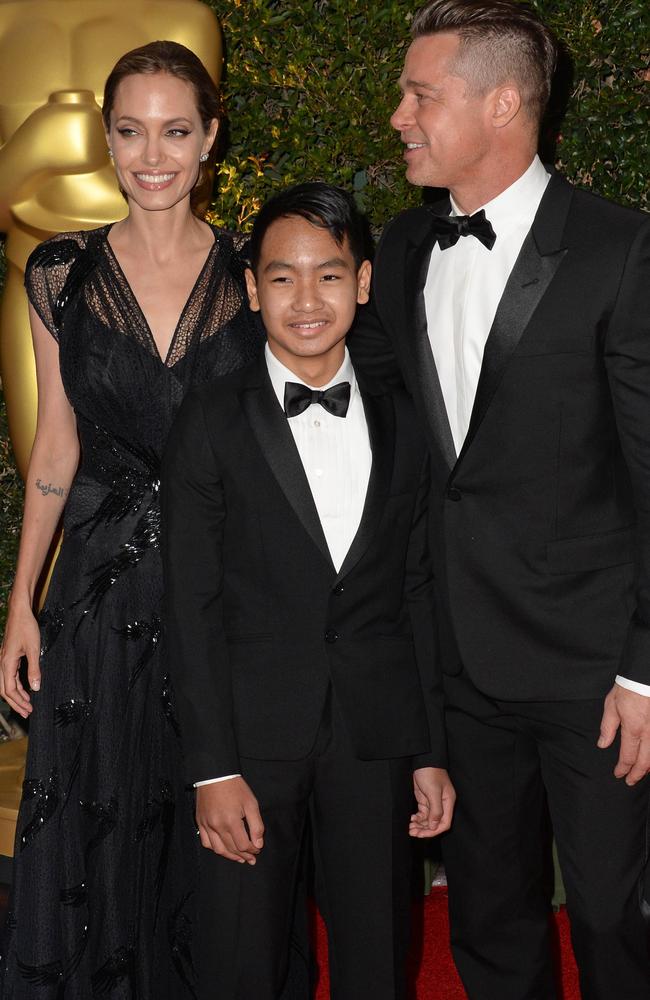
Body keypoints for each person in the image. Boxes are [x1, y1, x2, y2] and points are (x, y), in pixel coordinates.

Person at [349, 2, 650, 998]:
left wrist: (644, 673)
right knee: (486, 913)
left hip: (595, 673)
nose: (397, 113)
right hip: (459, 661)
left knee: (612, 919)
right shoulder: (399, 251)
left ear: (503, 103)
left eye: (421, 94)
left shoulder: (619, 250)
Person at [0, 40, 266, 999]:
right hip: (98, 598)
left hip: (227, 597)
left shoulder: (256, 269)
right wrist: (20, 605)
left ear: (209, 140)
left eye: (176, 131)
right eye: (130, 131)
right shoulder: (59, 274)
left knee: (219, 841)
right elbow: (56, 453)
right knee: (95, 831)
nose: (152, 155)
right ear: (107, 138)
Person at [161, 182, 455, 1000]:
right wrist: (210, 769)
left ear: (363, 281)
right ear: (251, 289)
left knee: (379, 956)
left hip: (376, 733)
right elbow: (190, 605)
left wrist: (428, 750)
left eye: (328, 275)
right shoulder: (210, 419)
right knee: (241, 959)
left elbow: (417, 589)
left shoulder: (405, 417)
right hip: (251, 742)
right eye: (282, 278)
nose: (306, 299)